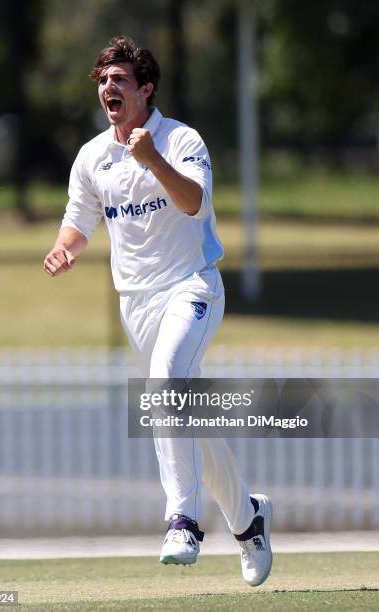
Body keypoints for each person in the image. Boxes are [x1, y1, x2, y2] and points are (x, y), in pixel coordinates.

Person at [44, 35, 272, 586]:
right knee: (184, 412)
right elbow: (79, 221)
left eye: (119, 80)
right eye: (103, 80)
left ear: (146, 89)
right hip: (137, 306)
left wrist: (152, 159)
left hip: (191, 288)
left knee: (166, 386)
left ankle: (183, 520)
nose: (108, 89)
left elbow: (193, 202)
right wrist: (64, 249)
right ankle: (249, 521)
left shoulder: (181, 139)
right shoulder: (93, 157)